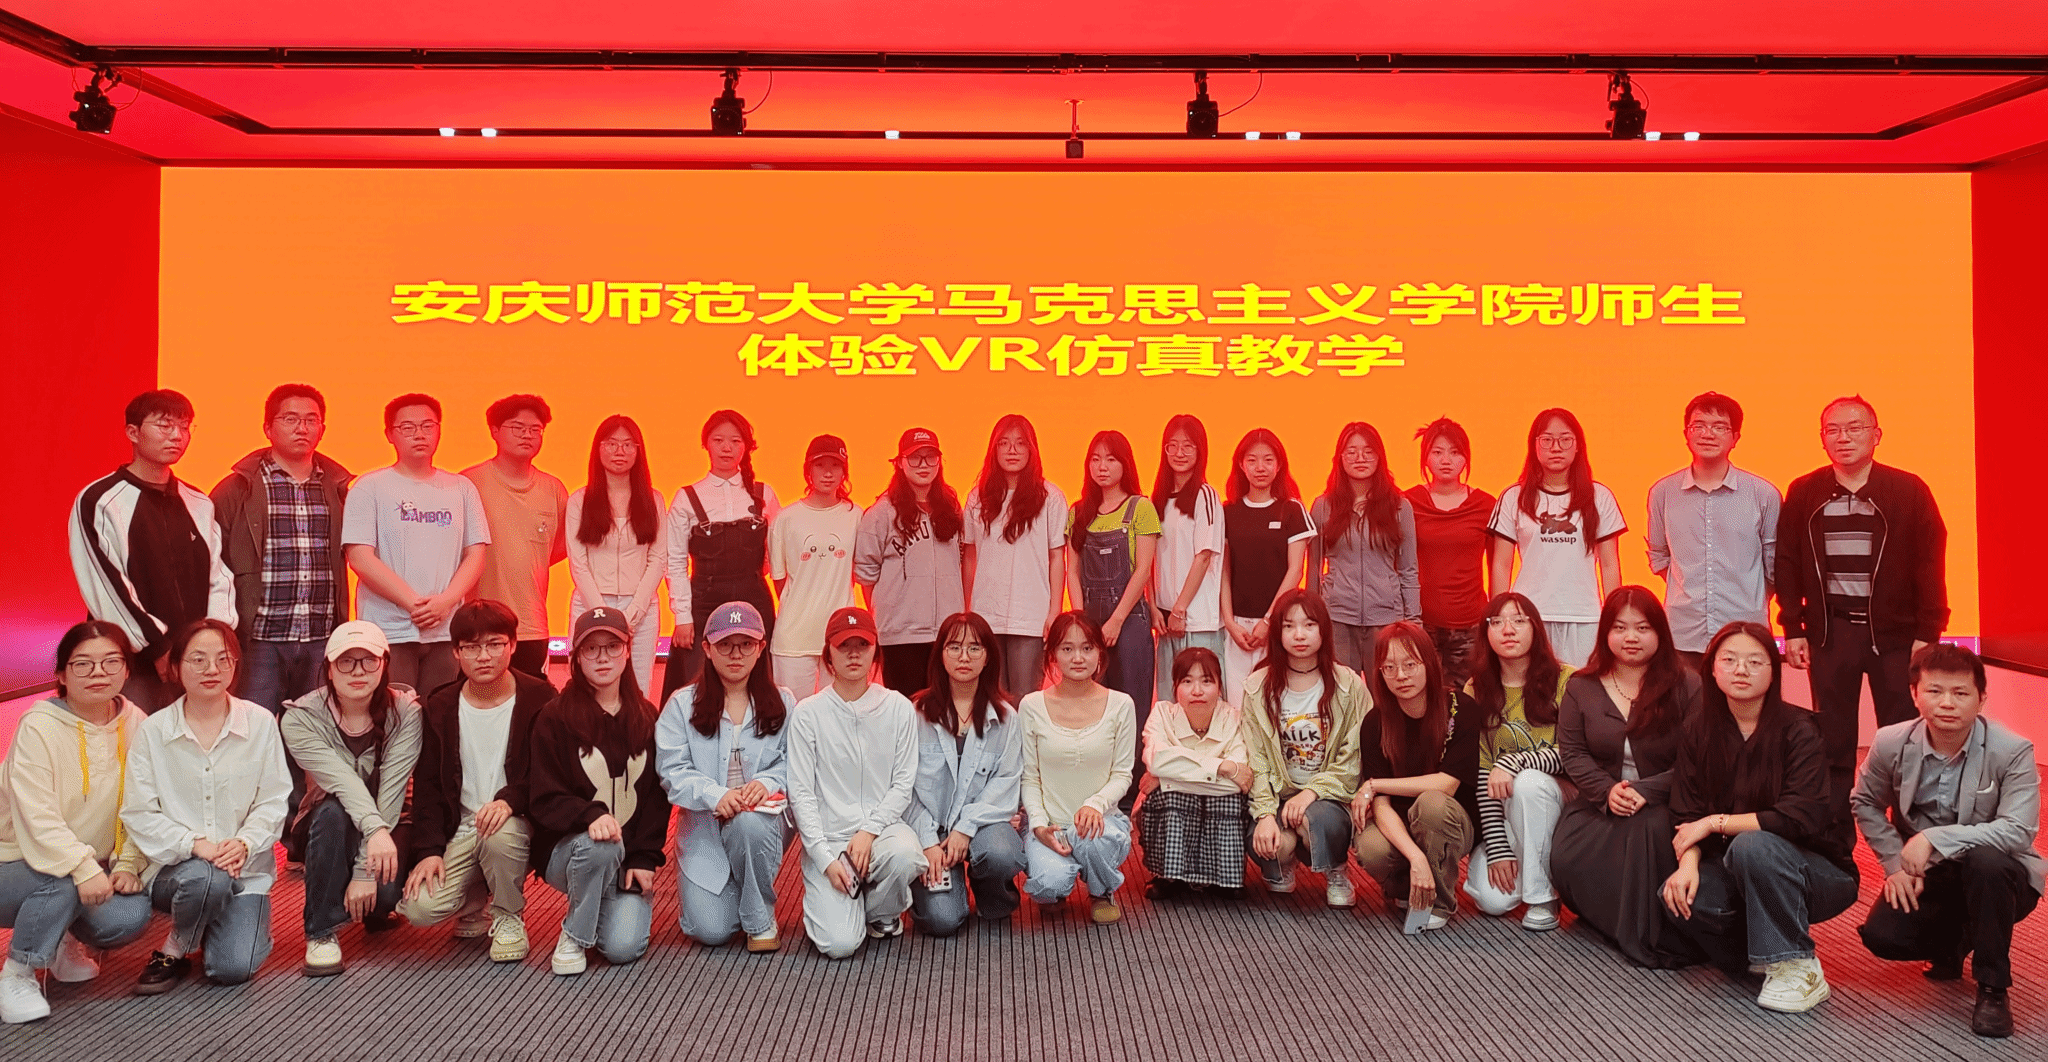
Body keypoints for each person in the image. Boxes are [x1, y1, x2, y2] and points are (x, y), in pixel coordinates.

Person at [1661, 622, 1859, 1014]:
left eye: (1755, 662)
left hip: (1817, 871)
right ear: (1712, 669)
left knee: (1753, 845)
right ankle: (1762, 953)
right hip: (1740, 866)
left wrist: (1715, 822)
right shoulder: (1699, 729)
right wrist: (1687, 864)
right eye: (1729, 660)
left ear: (1773, 671)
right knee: (1682, 895)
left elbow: (1798, 817)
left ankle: (1798, 964)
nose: (1741, 670)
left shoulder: (1800, 730)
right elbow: (1687, 812)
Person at [1853, 642, 2043, 1039]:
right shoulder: (1891, 742)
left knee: (1986, 863)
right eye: (1934, 691)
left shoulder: (2011, 750)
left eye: (1960, 693)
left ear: (1981, 698)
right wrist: (1894, 865)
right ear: (1914, 694)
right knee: (1883, 936)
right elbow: (1865, 802)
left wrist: (1934, 838)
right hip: (1929, 872)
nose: (1947, 703)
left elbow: (2018, 830)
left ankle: (1992, 988)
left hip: (2000, 874)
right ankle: (1954, 945)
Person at [1777, 395, 1948, 830]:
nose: (1843, 437)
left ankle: (1910, 829)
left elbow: (1930, 562)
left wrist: (1929, 631)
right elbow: (1788, 562)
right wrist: (1793, 627)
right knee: (1831, 741)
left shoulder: (1907, 490)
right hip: (1831, 634)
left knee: (1904, 737)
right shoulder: (1805, 491)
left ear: (1876, 435)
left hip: (1896, 636)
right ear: (1822, 439)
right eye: (1833, 429)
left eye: (1854, 428)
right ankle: (1834, 837)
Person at [121, 619, 292, 993]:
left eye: (222, 659)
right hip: (177, 872)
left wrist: (244, 843)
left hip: (244, 871)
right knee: (205, 877)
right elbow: (139, 812)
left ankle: (208, 920)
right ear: (175, 666)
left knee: (232, 969)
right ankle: (176, 947)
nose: (211, 669)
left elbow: (274, 799)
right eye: (198, 659)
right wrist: (195, 845)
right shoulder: (154, 731)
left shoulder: (260, 723)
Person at [0, 623, 152, 1024]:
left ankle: (62, 940)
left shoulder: (137, 722)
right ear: (62, 675)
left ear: (126, 670)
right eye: (83, 664)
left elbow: (145, 803)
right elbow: (37, 817)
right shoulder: (38, 726)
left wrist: (127, 863)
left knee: (127, 916)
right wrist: (83, 868)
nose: (98, 672)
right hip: (13, 862)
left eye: (110, 662)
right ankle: (18, 971)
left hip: (86, 866)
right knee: (61, 878)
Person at [1551, 586, 1701, 966]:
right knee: (1567, 857)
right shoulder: (1581, 686)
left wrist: (1646, 790)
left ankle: (1646, 934)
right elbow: (1572, 752)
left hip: (1667, 803)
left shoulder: (1687, 685)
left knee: (1649, 828)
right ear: (1605, 633)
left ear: (1660, 632)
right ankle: (1612, 919)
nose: (1630, 637)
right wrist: (1607, 792)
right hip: (1599, 805)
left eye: (1642, 628)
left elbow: (1697, 759)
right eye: (1620, 627)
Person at [398, 600, 551, 964]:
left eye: (495, 644)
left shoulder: (539, 698)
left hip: (519, 821)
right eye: (471, 647)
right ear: (456, 652)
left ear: (513, 645)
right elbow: (428, 788)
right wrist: (429, 851)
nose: (484, 656)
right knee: (420, 908)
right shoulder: (440, 706)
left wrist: (510, 801)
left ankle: (508, 915)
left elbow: (548, 773)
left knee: (499, 834)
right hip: (463, 828)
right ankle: (476, 896)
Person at [70, 389, 236, 711]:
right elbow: (106, 586)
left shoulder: (199, 502)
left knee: (194, 736)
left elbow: (220, 576)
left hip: (195, 657)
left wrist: (212, 639)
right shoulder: (99, 500)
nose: (177, 435)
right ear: (133, 432)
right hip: (133, 659)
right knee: (134, 736)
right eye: (164, 425)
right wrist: (157, 647)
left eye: (184, 426)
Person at [280, 621, 423, 977]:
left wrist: (364, 872)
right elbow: (344, 784)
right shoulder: (299, 718)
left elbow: (391, 792)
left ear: (384, 665)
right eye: (346, 662)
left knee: (385, 893)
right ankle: (321, 931)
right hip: (329, 820)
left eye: (369, 661)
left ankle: (375, 909)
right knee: (333, 812)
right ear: (329, 668)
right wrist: (370, 845)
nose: (358, 671)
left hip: (390, 819)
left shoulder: (406, 712)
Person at [529, 608, 665, 975]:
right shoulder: (554, 717)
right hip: (572, 853)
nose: (602, 657)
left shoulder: (647, 717)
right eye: (591, 649)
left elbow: (656, 798)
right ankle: (574, 936)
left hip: (627, 858)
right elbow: (542, 797)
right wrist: (590, 816)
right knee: (601, 846)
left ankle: (595, 900)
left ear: (627, 650)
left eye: (612, 646)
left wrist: (644, 858)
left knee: (623, 948)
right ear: (575, 657)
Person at [786, 607, 926, 957]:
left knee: (906, 854)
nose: (853, 654)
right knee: (839, 945)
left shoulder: (898, 707)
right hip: (831, 839)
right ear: (828, 655)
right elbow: (801, 793)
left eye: (862, 645)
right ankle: (846, 904)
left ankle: (879, 909)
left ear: (875, 651)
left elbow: (903, 783)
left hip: (882, 832)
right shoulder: (808, 713)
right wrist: (824, 859)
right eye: (843, 646)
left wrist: (869, 830)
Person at [655, 601, 795, 952]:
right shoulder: (681, 705)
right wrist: (715, 794)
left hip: (762, 823)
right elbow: (672, 771)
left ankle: (760, 917)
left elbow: (796, 762)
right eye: (725, 645)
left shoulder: (785, 702)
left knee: (748, 825)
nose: (736, 654)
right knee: (712, 931)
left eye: (746, 644)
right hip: (705, 824)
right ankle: (740, 887)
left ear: (761, 647)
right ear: (707, 648)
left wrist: (766, 783)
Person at [210, 383, 354, 718]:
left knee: (313, 733)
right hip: (259, 639)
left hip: (320, 636)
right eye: (290, 419)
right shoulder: (236, 489)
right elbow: (212, 564)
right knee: (252, 731)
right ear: (268, 428)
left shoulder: (339, 488)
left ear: (322, 429)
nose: (302, 428)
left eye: (311, 420)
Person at [342, 393, 491, 695]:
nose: (419, 434)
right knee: (393, 712)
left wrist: (446, 602)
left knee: (439, 711)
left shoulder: (461, 488)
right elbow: (359, 557)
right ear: (389, 434)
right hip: (389, 629)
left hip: (446, 629)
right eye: (407, 428)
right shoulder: (369, 487)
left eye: (427, 426)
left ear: (439, 430)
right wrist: (414, 604)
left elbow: (476, 554)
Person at [1351, 623, 1482, 931]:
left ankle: (1439, 901)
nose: (1401, 675)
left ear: (1429, 663)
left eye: (1410, 665)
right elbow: (1381, 807)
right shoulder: (1375, 722)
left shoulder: (1460, 708)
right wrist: (1416, 858)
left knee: (1431, 803)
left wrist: (1374, 784)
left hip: (1452, 821)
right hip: (1402, 824)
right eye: (1390, 667)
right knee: (1370, 847)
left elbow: (1446, 784)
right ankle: (1407, 883)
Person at [1242, 589, 1368, 907]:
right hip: (1278, 794)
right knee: (1269, 843)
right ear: (1278, 632)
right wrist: (1265, 814)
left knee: (1318, 821)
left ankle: (1336, 869)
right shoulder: (1257, 687)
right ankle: (1283, 862)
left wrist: (1311, 792)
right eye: (1289, 626)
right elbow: (1256, 759)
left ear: (1324, 630)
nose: (1299, 635)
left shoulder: (1348, 685)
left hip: (1328, 799)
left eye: (1309, 625)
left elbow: (1353, 757)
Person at [906, 612, 1027, 934]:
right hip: (930, 830)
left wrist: (966, 828)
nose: (964, 656)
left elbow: (1006, 783)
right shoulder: (914, 714)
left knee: (1001, 853)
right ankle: (941, 887)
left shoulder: (1006, 718)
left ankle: (991, 895)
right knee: (941, 921)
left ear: (988, 657)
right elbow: (905, 787)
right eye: (954, 647)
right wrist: (928, 841)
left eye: (974, 648)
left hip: (981, 826)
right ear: (940, 654)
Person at [1459, 592, 1574, 930]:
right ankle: (1538, 870)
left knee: (1528, 782)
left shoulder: (1567, 679)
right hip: (1509, 811)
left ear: (1536, 629)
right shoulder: (1476, 688)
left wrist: (1513, 763)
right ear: (1486, 632)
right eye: (1497, 622)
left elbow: (1573, 753)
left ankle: (1542, 897)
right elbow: (1482, 771)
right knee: (1491, 900)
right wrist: (1498, 848)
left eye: (1519, 621)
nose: (1508, 630)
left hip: (1561, 805)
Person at [1646, 392, 1781, 668]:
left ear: (1736, 438)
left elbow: (1774, 566)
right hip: (1683, 633)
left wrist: (1749, 596)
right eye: (1699, 425)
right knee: (1685, 697)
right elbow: (1659, 556)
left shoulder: (1763, 494)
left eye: (1719, 427)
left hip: (1746, 631)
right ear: (1686, 433)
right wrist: (1689, 589)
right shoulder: (1663, 493)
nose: (1708, 434)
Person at [1019, 611, 1137, 925]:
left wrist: (1095, 804)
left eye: (1087, 648)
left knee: (1095, 839)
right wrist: (1039, 826)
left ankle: (1101, 890)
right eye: (1067, 649)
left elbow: (1122, 773)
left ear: (1100, 653)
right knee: (1049, 885)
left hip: (1101, 823)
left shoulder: (1121, 704)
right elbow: (1030, 777)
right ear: (1052, 655)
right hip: (1051, 825)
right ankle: (1058, 882)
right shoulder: (1031, 706)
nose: (1078, 658)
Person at [1064, 429, 1160, 811]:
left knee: (1131, 708)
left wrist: (1117, 620)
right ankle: (1090, 791)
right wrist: (1081, 624)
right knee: (1090, 708)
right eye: (1095, 459)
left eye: (1111, 459)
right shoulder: (1078, 512)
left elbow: (1143, 570)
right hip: (1090, 623)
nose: (1102, 467)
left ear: (1125, 464)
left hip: (1131, 620)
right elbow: (1072, 571)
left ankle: (1128, 799)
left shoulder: (1141, 508)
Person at [1487, 408, 1625, 668]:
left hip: (1585, 617)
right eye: (1547, 440)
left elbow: (1609, 565)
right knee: (1532, 687)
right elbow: (1501, 564)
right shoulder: (1513, 497)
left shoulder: (1600, 496)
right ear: (1534, 446)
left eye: (1565, 439)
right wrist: (1499, 619)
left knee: (1581, 686)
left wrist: (1616, 619)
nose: (1556, 447)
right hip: (1527, 617)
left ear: (1578, 446)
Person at [663, 409, 781, 700]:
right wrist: (682, 617)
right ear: (705, 444)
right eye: (718, 440)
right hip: (703, 603)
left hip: (755, 599)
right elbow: (675, 562)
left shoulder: (764, 493)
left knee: (760, 688)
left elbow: (776, 556)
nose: (726, 448)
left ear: (746, 446)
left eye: (735, 441)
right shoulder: (686, 497)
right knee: (697, 691)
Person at [462, 394, 570, 681]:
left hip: (532, 625)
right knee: (478, 698)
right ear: (494, 431)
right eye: (517, 427)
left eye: (535, 429)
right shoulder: (469, 484)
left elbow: (559, 548)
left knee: (529, 700)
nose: (527, 435)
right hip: (477, 624)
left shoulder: (554, 489)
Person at [964, 414, 1069, 696]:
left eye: (1020, 443)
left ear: (1032, 450)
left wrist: (1054, 612)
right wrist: (968, 610)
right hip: (986, 615)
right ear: (993, 449)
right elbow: (970, 557)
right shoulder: (977, 498)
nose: (1012, 450)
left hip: (1031, 617)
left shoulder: (1050, 497)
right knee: (991, 700)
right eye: (1004, 443)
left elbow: (1057, 558)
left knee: (1025, 699)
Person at [856, 428, 966, 693]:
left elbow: (963, 561)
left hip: (948, 634)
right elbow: (866, 576)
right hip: (900, 636)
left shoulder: (951, 508)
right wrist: (891, 611)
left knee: (945, 709)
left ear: (939, 462)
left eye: (930, 457)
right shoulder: (882, 513)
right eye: (915, 457)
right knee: (905, 709)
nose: (923, 464)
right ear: (900, 463)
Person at [1139, 646, 1252, 899]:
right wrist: (1221, 766)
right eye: (1187, 681)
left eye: (1206, 681)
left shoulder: (1234, 719)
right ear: (1175, 687)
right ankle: (1168, 876)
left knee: (1229, 798)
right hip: (1173, 804)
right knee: (1171, 797)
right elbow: (1157, 761)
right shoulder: (1162, 714)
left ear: (1220, 687)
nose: (1197, 691)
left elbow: (1237, 784)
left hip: (1217, 801)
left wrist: (1166, 778)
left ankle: (1225, 879)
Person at [566, 415, 668, 693]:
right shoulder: (579, 501)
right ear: (598, 449)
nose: (619, 451)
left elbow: (658, 559)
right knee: (588, 689)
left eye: (628, 444)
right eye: (611, 444)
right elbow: (578, 564)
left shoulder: (654, 500)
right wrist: (603, 615)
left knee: (638, 690)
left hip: (641, 610)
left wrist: (632, 614)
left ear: (638, 451)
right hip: (589, 605)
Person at [1311, 421, 1420, 671]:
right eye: (1351, 451)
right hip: (1337, 619)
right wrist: (1313, 618)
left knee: (1384, 691)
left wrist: (1413, 622)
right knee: (1341, 690)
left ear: (1380, 457)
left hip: (1387, 620)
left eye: (1368, 451)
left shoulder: (1399, 506)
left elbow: (1409, 570)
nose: (1360, 458)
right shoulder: (1323, 506)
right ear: (1340, 458)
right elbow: (1314, 567)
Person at [1220, 428, 1316, 696]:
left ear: (1279, 465)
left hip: (1279, 624)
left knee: (1278, 701)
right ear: (1241, 465)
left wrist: (1268, 620)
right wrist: (1229, 622)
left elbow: (1296, 570)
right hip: (1238, 628)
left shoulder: (1291, 509)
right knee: (1238, 704)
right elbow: (1224, 571)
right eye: (1252, 460)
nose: (1260, 467)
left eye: (1268, 460)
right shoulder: (1228, 512)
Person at [768, 435, 861, 699]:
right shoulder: (785, 519)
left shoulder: (856, 516)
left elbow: (859, 571)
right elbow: (779, 579)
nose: (828, 473)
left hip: (840, 635)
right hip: (793, 638)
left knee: (840, 712)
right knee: (791, 713)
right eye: (820, 465)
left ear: (845, 471)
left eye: (835, 465)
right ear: (808, 470)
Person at [1406, 417, 1494, 693]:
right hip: (1420, 623)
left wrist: (1494, 618)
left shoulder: (1486, 505)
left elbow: (1498, 566)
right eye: (1437, 452)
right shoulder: (1407, 502)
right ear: (1425, 458)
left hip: (1470, 625)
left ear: (1466, 458)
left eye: (1455, 452)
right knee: (1421, 697)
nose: (1446, 460)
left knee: (1465, 701)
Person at [1149, 414, 1226, 701]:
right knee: (1169, 702)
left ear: (1200, 450)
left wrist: (1179, 609)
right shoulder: (1157, 499)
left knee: (1202, 701)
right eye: (1172, 445)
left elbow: (1203, 556)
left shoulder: (1206, 495)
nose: (1179, 453)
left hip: (1198, 622)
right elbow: (1149, 561)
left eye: (1188, 446)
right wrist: (1154, 608)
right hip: (1167, 622)